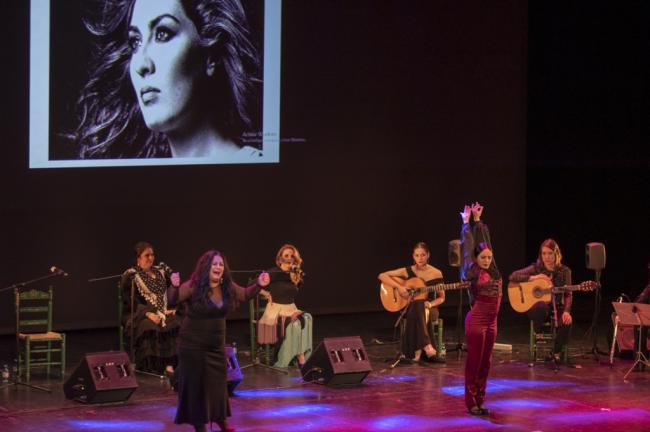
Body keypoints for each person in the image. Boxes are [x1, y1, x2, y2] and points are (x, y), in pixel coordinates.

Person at [69, 0, 261, 160]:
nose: (141, 65)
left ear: (211, 55)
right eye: (135, 42)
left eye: (162, 34)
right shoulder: (141, 185)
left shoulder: (258, 176)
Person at [168, 250, 269, 432]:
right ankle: (201, 428)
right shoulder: (194, 286)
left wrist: (259, 284)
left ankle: (221, 422)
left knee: (218, 388)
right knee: (197, 389)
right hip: (193, 346)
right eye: (214, 264)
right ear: (207, 267)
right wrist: (174, 286)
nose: (218, 267)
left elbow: (245, 294)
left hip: (215, 347)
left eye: (221, 264)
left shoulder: (226, 287)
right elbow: (173, 300)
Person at [460, 202, 501, 416]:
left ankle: (481, 399)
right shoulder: (472, 270)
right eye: (482, 258)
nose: (486, 260)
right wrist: (467, 224)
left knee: (486, 363)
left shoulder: (493, 269)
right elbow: (469, 250)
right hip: (477, 321)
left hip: (492, 322)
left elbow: (486, 244)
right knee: (475, 362)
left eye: (488, 257)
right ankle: (471, 401)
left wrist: (479, 221)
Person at [120, 241, 181, 376]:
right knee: (149, 326)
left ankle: (170, 364)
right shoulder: (131, 276)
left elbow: (171, 299)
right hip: (138, 314)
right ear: (138, 258)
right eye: (147, 255)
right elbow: (131, 303)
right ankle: (153, 366)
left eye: (152, 255)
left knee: (175, 322)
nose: (151, 258)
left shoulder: (161, 272)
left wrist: (175, 286)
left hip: (162, 312)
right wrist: (148, 314)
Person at [378, 242, 445, 362]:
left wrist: (430, 304)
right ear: (413, 256)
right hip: (410, 305)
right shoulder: (407, 270)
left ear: (428, 255)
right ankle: (427, 346)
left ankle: (416, 353)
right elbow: (382, 276)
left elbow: (442, 298)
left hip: (429, 307)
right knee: (417, 304)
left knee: (420, 305)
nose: (420, 258)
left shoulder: (436, 273)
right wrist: (399, 287)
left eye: (423, 255)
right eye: (417, 255)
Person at [509, 239, 573, 361]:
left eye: (550, 253)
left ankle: (555, 352)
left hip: (556, 307)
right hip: (539, 309)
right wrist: (534, 277)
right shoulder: (536, 268)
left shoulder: (565, 271)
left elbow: (568, 294)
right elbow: (513, 276)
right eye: (544, 254)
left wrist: (567, 311)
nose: (547, 257)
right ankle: (539, 332)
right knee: (540, 306)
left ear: (556, 254)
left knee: (567, 321)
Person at [257, 244, 312, 368]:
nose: (289, 258)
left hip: (291, 308)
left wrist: (294, 273)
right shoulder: (274, 272)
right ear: (280, 258)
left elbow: (296, 289)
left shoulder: (294, 274)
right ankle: (301, 359)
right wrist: (265, 293)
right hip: (275, 311)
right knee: (294, 323)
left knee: (306, 319)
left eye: (292, 256)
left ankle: (296, 354)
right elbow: (253, 283)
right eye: (286, 255)